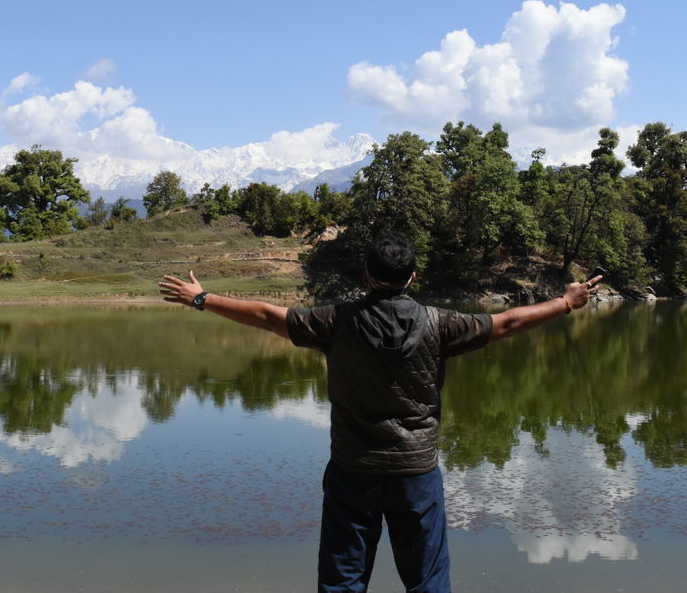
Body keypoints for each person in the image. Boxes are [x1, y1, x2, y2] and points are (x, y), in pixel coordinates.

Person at [158, 232, 602, 593]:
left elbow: (269, 316)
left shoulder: (338, 320)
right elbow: (507, 322)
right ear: (412, 276)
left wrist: (202, 298)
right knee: (427, 581)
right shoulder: (441, 323)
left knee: (342, 581)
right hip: (415, 471)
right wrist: (566, 302)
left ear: (367, 274)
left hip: (354, 468)